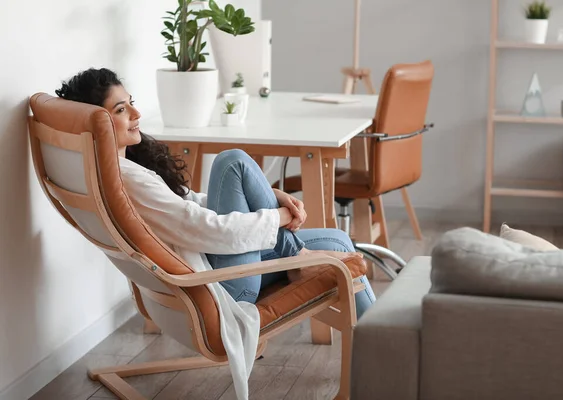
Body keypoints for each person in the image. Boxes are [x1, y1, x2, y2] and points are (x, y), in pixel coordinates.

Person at [54, 67, 376, 318]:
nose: (136, 115)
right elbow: (203, 226)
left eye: (131, 104)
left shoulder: (120, 170)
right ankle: (297, 258)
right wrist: (277, 218)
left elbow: (193, 207)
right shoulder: (128, 180)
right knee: (231, 161)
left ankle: (376, 344)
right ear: (97, 123)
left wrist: (275, 197)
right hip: (221, 287)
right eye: (121, 109)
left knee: (338, 242)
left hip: (218, 266)